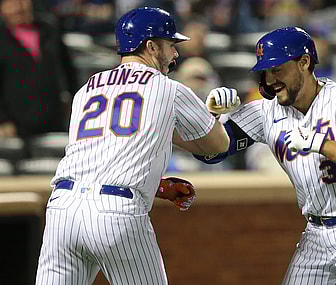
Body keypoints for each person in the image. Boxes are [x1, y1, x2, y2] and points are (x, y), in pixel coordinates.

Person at [35, 7, 231, 285]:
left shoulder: (87, 87)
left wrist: (158, 185)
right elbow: (218, 144)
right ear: (151, 46)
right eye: (170, 44)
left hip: (62, 208)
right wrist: (215, 117)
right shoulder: (167, 87)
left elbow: (102, 153)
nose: (175, 53)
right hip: (116, 213)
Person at [196, 27, 336, 284]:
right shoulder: (265, 112)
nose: (270, 80)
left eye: (277, 69)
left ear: (304, 62)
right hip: (316, 232)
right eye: (266, 71)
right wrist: (208, 119)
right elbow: (211, 153)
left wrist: (323, 144)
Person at [0, 0, 77, 139]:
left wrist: (74, 103)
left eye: (21, 1)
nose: (18, 7)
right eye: (11, 3)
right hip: (16, 125)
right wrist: (3, 120)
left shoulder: (50, 30)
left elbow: (69, 72)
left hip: (54, 117)